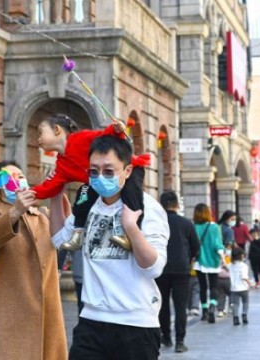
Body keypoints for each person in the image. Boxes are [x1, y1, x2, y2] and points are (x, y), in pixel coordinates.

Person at [49, 135, 169, 359]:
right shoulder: (88, 205)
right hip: (92, 322)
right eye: (93, 171)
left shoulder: (146, 208)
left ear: (127, 171)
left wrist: (131, 228)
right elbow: (59, 239)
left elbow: (153, 268)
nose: (100, 177)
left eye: (108, 171)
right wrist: (56, 196)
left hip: (136, 324)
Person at [0, 160, 67, 360]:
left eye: (20, 176)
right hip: (12, 321)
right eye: (9, 178)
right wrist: (15, 212)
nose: (17, 181)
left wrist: (57, 196)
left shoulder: (43, 216)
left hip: (48, 317)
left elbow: (67, 237)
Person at [34, 113, 148, 251]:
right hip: (96, 182)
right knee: (82, 196)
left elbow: (104, 136)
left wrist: (116, 129)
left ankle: (133, 233)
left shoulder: (80, 138)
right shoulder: (61, 165)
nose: (38, 139)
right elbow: (49, 187)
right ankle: (78, 233)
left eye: (41, 133)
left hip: (131, 168)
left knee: (132, 195)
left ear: (57, 129)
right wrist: (28, 193)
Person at [156, 191, 200, 353]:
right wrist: (189, 258)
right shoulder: (186, 223)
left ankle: (165, 336)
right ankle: (180, 341)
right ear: (177, 205)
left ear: (161, 204)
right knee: (181, 306)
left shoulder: (155, 222)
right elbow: (196, 246)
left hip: (160, 268)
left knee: (163, 304)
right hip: (182, 269)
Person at [193, 203, 225, 324]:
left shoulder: (195, 227)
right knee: (213, 286)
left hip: (199, 261)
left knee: (202, 286)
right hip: (213, 260)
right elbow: (218, 244)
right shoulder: (214, 227)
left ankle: (205, 311)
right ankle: (212, 306)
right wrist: (222, 256)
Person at [229, 247, 251, 326]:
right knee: (245, 302)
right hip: (243, 288)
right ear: (241, 256)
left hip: (234, 288)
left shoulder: (231, 265)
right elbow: (244, 276)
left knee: (236, 304)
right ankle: (244, 315)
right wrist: (250, 283)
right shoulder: (244, 266)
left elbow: (226, 268)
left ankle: (235, 318)